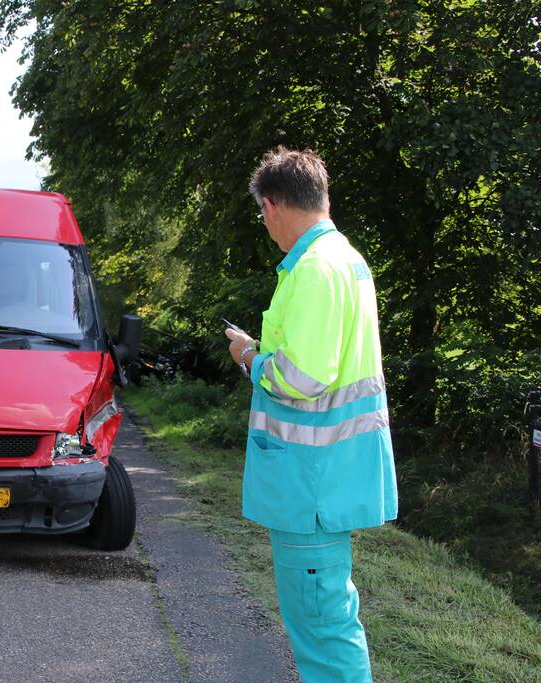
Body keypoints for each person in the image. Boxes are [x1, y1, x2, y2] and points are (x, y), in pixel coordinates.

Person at [225, 147, 398, 682]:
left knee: (321, 622)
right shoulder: (341, 259)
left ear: (272, 206)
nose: (265, 223)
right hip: (324, 476)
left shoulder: (315, 269)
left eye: (262, 213)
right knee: (324, 616)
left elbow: (302, 378)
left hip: (311, 483)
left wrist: (250, 357)